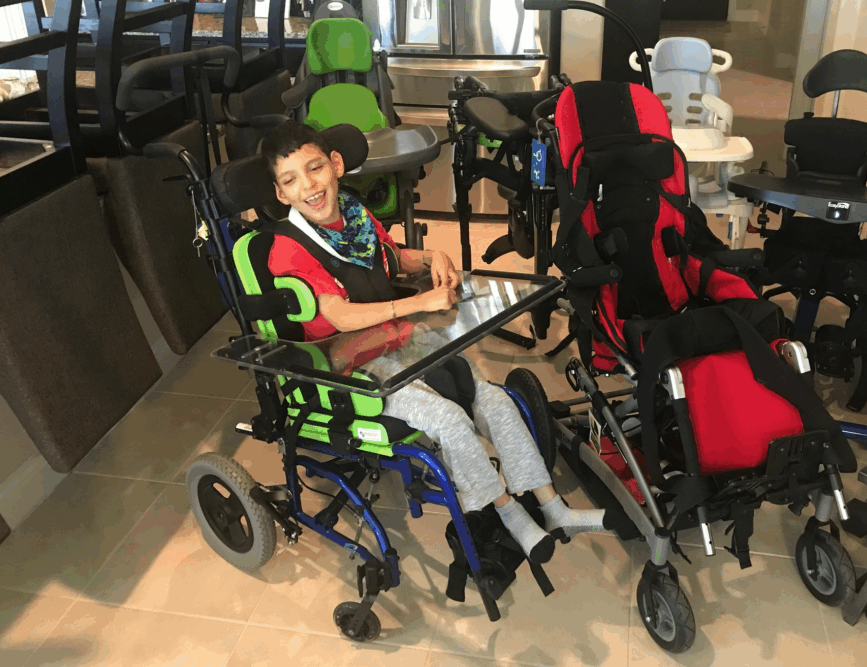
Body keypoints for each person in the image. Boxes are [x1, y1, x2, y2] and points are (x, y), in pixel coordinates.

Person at [260, 121, 608, 563]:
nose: (309, 186)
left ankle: (553, 508)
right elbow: (339, 315)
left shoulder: (352, 213)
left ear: (336, 165)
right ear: (281, 194)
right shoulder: (288, 248)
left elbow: (392, 258)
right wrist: (420, 302)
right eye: (291, 180)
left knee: (493, 400)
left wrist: (432, 257)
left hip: (396, 340)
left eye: (315, 169)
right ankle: (509, 515)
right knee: (449, 418)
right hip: (351, 368)